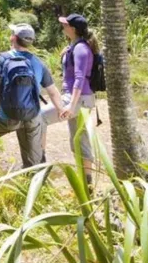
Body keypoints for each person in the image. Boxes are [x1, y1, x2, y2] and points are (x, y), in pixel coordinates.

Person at [0, 24, 69, 171]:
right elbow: (53, 92)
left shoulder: (1, 58)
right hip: (32, 116)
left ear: (13, 38)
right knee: (32, 160)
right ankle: (33, 182)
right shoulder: (39, 63)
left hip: (6, 116)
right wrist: (61, 109)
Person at [41, 13, 99, 184]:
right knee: (80, 140)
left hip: (78, 100)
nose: (63, 27)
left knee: (39, 117)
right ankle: (87, 181)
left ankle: (39, 162)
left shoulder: (80, 49)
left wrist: (71, 106)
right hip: (81, 99)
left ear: (73, 29)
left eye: (65, 25)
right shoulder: (75, 46)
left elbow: (80, 78)